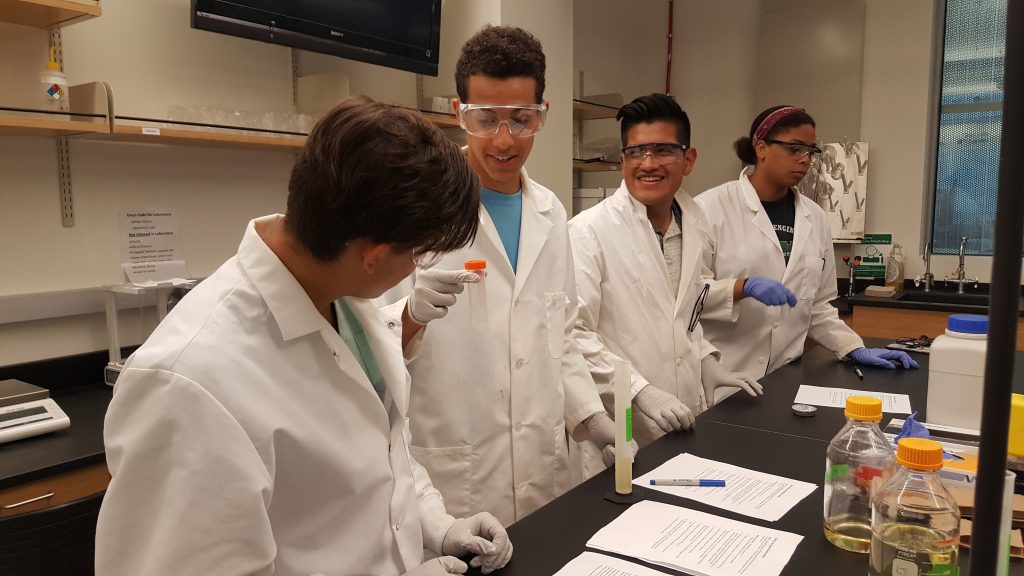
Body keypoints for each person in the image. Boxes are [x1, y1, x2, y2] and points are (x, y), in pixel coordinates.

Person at [95, 97, 513, 576]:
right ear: (373, 254)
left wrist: (436, 524)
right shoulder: (191, 384)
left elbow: (382, 456)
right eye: (418, 253)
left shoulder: (345, 297)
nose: (416, 267)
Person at [383, 26, 617, 526]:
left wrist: (592, 419)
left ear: (543, 114)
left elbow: (563, 336)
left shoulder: (551, 214)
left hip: (546, 472)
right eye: (485, 120)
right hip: (456, 484)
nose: (504, 140)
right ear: (458, 113)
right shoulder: (414, 210)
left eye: (521, 119)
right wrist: (409, 314)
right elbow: (365, 343)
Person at [568, 94, 763, 449]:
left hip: (685, 413)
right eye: (635, 152)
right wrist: (641, 391)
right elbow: (574, 333)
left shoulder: (693, 221)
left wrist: (705, 360)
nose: (647, 163)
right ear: (622, 160)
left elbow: (682, 314)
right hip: (622, 420)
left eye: (662, 150)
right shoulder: (589, 231)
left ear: (688, 159)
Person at [695, 105, 918, 380]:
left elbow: (817, 306)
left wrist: (853, 347)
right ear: (761, 148)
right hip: (723, 375)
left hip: (785, 375)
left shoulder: (815, 217)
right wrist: (742, 288)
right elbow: (690, 296)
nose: (805, 160)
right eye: (794, 149)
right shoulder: (708, 209)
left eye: (810, 151)